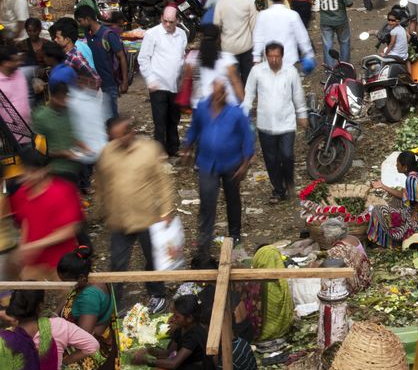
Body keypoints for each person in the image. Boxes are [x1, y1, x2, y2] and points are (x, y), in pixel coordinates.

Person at [95, 115, 173, 311]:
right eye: (114, 137)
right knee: (117, 262)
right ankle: (114, 303)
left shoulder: (150, 149)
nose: (118, 141)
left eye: (121, 135)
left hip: (148, 217)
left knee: (153, 258)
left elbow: (163, 182)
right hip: (120, 220)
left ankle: (157, 294)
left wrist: (166, 211)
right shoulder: (106, 153)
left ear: (131, 131)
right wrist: (104, 209)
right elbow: (102, 183)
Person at [182, 79, 255, 260]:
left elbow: (248, 138)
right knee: (207, 203)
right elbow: (194, 129)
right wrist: (187, 147)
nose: (219, 96)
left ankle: (235, 235)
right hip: (207, 163)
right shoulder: (202, 108)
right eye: (216, 93)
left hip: (231, 164)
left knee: (232, 199)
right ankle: (204, 243)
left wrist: (245, 164)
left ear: (225, 94)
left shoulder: (235, 113)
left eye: (222, 92)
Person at [241, 42, 307, 204]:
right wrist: (243, 116)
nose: (274, 60)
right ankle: (278, 189)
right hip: (265, 124)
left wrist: (302, 114)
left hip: (286, 123)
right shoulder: (257, 71)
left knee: (287, 155)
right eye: (270, 56)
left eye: (277, 56)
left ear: (282, 56)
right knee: (271, 160)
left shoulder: (290, 71)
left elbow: (297, 95)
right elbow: (249, 94)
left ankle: (289, 180)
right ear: (266, 56)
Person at [9, 150, 83, 279]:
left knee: (70, 297)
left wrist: (34, 245)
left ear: (45, 170)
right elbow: (25, 221)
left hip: (62, 261)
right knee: (25, 295)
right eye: (24, 171)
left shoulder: (63, 190)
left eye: (32, 172)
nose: (26, 176)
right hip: (34, 262)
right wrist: (23, 246)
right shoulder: (20, 194)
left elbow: (70, 229)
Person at [367, 151, 418, 253]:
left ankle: (387, 241)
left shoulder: (411, 179)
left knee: (377, 210)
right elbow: (405, 196)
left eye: (398, 163)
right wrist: (382, 186)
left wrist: (415, 211)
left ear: (405, 167)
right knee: (395, 201)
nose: (396, 165)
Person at [136, 8, 187, 157]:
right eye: (165, 21)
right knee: (159, 120)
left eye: (171, 22)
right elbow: (143, 58)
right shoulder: (152, 34)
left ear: (177, 21)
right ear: (161, 18)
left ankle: (173, 147)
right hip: (158, 83)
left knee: (173, 118)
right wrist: (150, 79)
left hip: (175, 84)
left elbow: (182, 55)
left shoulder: (182, 34)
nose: (167, 24)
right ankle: (159, 150)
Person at [74, 6, 128, 118]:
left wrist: (125, 81)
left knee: (111, 116)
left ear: (88, 19)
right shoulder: (88, 34)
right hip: (96, 82)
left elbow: (121, 57)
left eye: (80, 21)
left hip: (109, 82)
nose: (80, 24)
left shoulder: (108, 35)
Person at [252, 0, 315, 72]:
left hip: (270, 61)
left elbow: (258, 37)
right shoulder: (292, 15)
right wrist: (308, 54)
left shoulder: (262, 15)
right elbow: (302, 37)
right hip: (289, 60)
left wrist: (256, 58)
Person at [313, 0, 354, 68]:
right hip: (340, 19)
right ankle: (345, 68)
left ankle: (329, 70)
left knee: (327, 45)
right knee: (344, 42)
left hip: (325, 20)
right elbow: (349, 2)